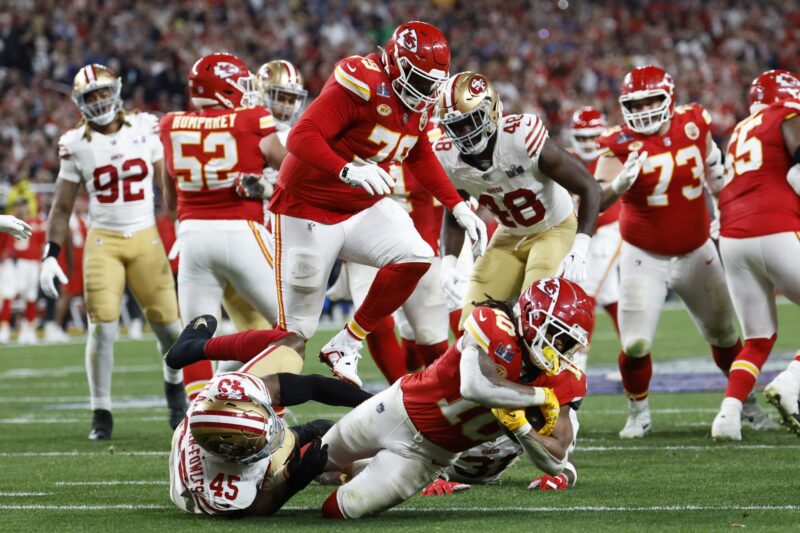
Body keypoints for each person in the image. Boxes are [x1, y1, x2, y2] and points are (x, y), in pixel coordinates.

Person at [268, 21, 487, 388]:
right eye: (421, 81)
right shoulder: (362, 81)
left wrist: (458, 206)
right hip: (308, 206)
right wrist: (346, 171)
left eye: (434, 83)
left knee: (417, 254)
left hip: (359, 205)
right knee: (295, 335)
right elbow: (301, 136)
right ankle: (234, 389)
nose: (428, 93)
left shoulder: (417, 100)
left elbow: (418, 152)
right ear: (397, 65)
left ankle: (347, 342)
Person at [319, 277, 594, 519]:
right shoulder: (497, 340)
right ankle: (324, 446)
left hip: (459, 462)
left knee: (347, 492)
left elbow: (561, 456)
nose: (558, 350)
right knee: (323, 461)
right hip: (438, 439)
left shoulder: (561, 384)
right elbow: (475, 387)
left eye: (566, 344)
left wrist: (525, 430)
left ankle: (351, 463)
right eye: (556, 338)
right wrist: (534, 396)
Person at [594, 65, 771, 438]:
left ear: (669, 97)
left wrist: (725, 210)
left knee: (725, 336)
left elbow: (715, 172)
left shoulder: (693, 122)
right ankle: (638, 411)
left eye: (651, 100)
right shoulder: (617, 143)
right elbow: (594, 201)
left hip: (696, 251)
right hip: (644, 255)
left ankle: (745, 401)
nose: (642, 110)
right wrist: (618, 185)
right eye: (635, 103)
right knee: (635, 342)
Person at [40, 64, 186, 439]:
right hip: (103, 241)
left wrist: (184, 227)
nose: (100, 100)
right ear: (80, 103)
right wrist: (50, 253)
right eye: (91, 97)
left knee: (170, 329)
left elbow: (166, 185)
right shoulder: (76, 143)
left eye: (103, 92)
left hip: (146, 237)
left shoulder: (144, 128)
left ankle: (173, 384)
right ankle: (100, 411)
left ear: (116, 91)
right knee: (102, 326)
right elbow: (62, 206)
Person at [159, 52, 286, 400]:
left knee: (194, 338)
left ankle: (196, 420)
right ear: (224, 89)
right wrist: (270, 187)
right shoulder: (251, 119)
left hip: (192, 235)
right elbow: (291, 170)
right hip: (241, 231)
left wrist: (186, 226)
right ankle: (264, 406)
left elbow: (170, 195)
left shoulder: (170, 124)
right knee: (292, 328)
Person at [436, 72, 601, 329]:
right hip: (510, 234)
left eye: (471, 121)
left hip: (554, 229)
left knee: (533, 319)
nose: (465, 133)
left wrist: (580, 248)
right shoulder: (447, 156)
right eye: (456, 126)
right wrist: (448, 264)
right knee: (473, 328)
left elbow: (589, 187)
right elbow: (456, 210)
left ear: (490, 111)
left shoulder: (521, 137)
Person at [166, 315, 372, 516]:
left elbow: (312, 386)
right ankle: (299, 447)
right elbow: (258, 506)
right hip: (221, 468)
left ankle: (191, 348)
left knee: (292, 345)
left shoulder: (230, 391)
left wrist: (376, 401)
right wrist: (295, 479)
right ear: (238, 458)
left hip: (219, 428)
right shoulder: (216, 489)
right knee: (319, 437)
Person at [711, 70, 800, 440]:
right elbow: (797, 171)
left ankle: (728, 416)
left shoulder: (740, 130)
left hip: (733, 237)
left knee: (758, 338)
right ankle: (791, 384)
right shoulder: (787, 115)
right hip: (776, 227)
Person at [566, 106, 622, 371]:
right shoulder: (566, 159)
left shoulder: (613, 155)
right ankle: (633, 353)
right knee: (611, 298)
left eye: (593, 136)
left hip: (606, 233)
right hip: (580, 235)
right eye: (583, 137)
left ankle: (578, 362)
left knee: (585, 294)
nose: (589, 143)